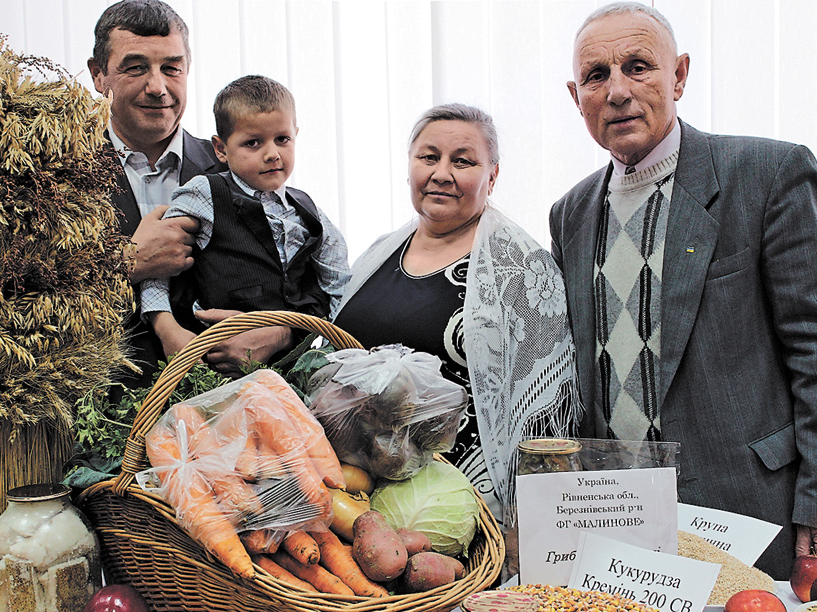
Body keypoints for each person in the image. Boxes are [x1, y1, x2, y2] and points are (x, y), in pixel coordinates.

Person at [551, 1, 817, 579]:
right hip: (617, 529)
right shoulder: (568, 214)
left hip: (749, 516)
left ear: (680, 75)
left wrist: (815, 520)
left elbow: (814, 355)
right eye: (597, 76)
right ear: (577, 98)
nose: (617, 90)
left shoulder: (768, 175)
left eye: (638, 66)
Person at [334, 104, 581, 560]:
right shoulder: (378, 254)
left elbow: (543, 411)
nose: (441, 173)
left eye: (462, 161)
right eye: (428, 157)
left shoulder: (520, 269)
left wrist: (525, 529)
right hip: (353, 502)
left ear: (493, 175)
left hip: (453, 509)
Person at [140, 75, 350, 376]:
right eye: (253, 143)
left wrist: (331, 351)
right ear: (221, 149)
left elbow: (340, 287)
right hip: (215, 374)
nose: (272, 153)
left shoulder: (309, 209)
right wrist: (167, 328)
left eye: (283, 139)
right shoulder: (204, 193)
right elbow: (155, 263)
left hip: (291, 373)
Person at [87, 0, 227, 388]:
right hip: (92, 421)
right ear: (99, 76)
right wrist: (124, 263)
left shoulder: (236, 170)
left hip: (220, 413)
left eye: (172, 68)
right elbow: (12, 296)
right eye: (135, 68)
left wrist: (278, 333)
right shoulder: (54, 177)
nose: (158, 87)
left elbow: (295, 274)